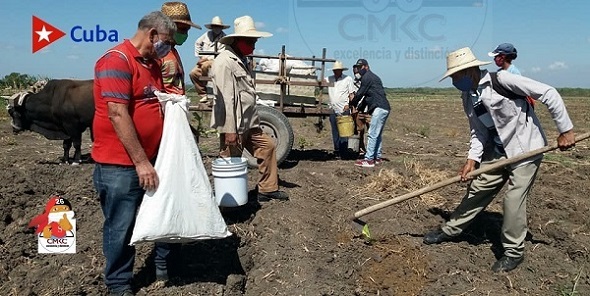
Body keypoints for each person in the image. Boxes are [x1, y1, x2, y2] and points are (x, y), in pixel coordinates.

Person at [424, 47, 576, 272]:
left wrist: (565, 130)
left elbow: (549, 93)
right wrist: (472, 159)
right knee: (478, 190)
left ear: (470, 71)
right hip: (497, 151)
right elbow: (478, 131)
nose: (455, 81)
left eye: (456, 76)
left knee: (513, 201)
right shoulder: (468, 96)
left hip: (525, 149)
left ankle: (514, 253)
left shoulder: (502, 80)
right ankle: (450, 230)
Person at [92, 11, 176, 296]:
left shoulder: (152, 64)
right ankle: (119, 283)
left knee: (162, 213)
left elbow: (156, 102)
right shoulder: (117, 60)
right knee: (121, 225)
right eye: (167, 41)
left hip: (151, 159)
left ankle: (162, 266)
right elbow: (117, 113)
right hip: (121, 165)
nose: (169, 48)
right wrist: (141, 162)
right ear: (152, 34)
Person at [210, 15, 289, 202]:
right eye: (250, 41)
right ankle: (228, 201)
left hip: (249, 121)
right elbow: (225, 99)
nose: (253, 45)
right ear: (238, 40)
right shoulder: (224, 61)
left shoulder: (241, 60)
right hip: (234, 124)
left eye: (255, 41)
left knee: (268, 146)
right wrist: (230, 130)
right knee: (231, 161)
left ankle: (267, 189)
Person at [349, 59, 391, 168]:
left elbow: (360, 93)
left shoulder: (367, 77)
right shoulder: (373, 77)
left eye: (360, 67)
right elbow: (366, 98)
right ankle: (377, 157)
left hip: (379, 108)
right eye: (358, 68)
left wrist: (352, 103)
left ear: (366, 66)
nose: (359, 70)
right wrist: (359, 107)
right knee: (377, 134)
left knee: (372, 133)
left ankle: (369, 160)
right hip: (384, 108)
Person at [160, 1, 201, 95]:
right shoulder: (155, 54)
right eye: (182, 29)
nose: (185, 34)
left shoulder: (173, 52)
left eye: (187, 30)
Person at [189, 16, 230, 103]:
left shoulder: (225, 38)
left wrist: (205, 59)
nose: (217, 28)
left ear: (221, 28)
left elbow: (222, 53)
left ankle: (209, 89)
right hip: (204, 59)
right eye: (215, 26)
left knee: (205, 66)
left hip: (216, 60)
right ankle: (203, 94)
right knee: (193, 73)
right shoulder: (206, 35)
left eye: (218, 26)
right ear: (212, 27)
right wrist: (200, 56)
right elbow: (197, 43)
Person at [325, 60, 355, 156]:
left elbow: (351, 94)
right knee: (335, 131)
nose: (336, 71)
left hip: (344, 108)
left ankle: (344, 151)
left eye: (338, 70)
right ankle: (337, 150)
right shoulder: (329, 79)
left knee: (344, 131)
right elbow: (320, 82)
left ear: (341, 70)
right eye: (335, 70)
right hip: (333, 108)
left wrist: (350, 105)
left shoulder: (348, 79)